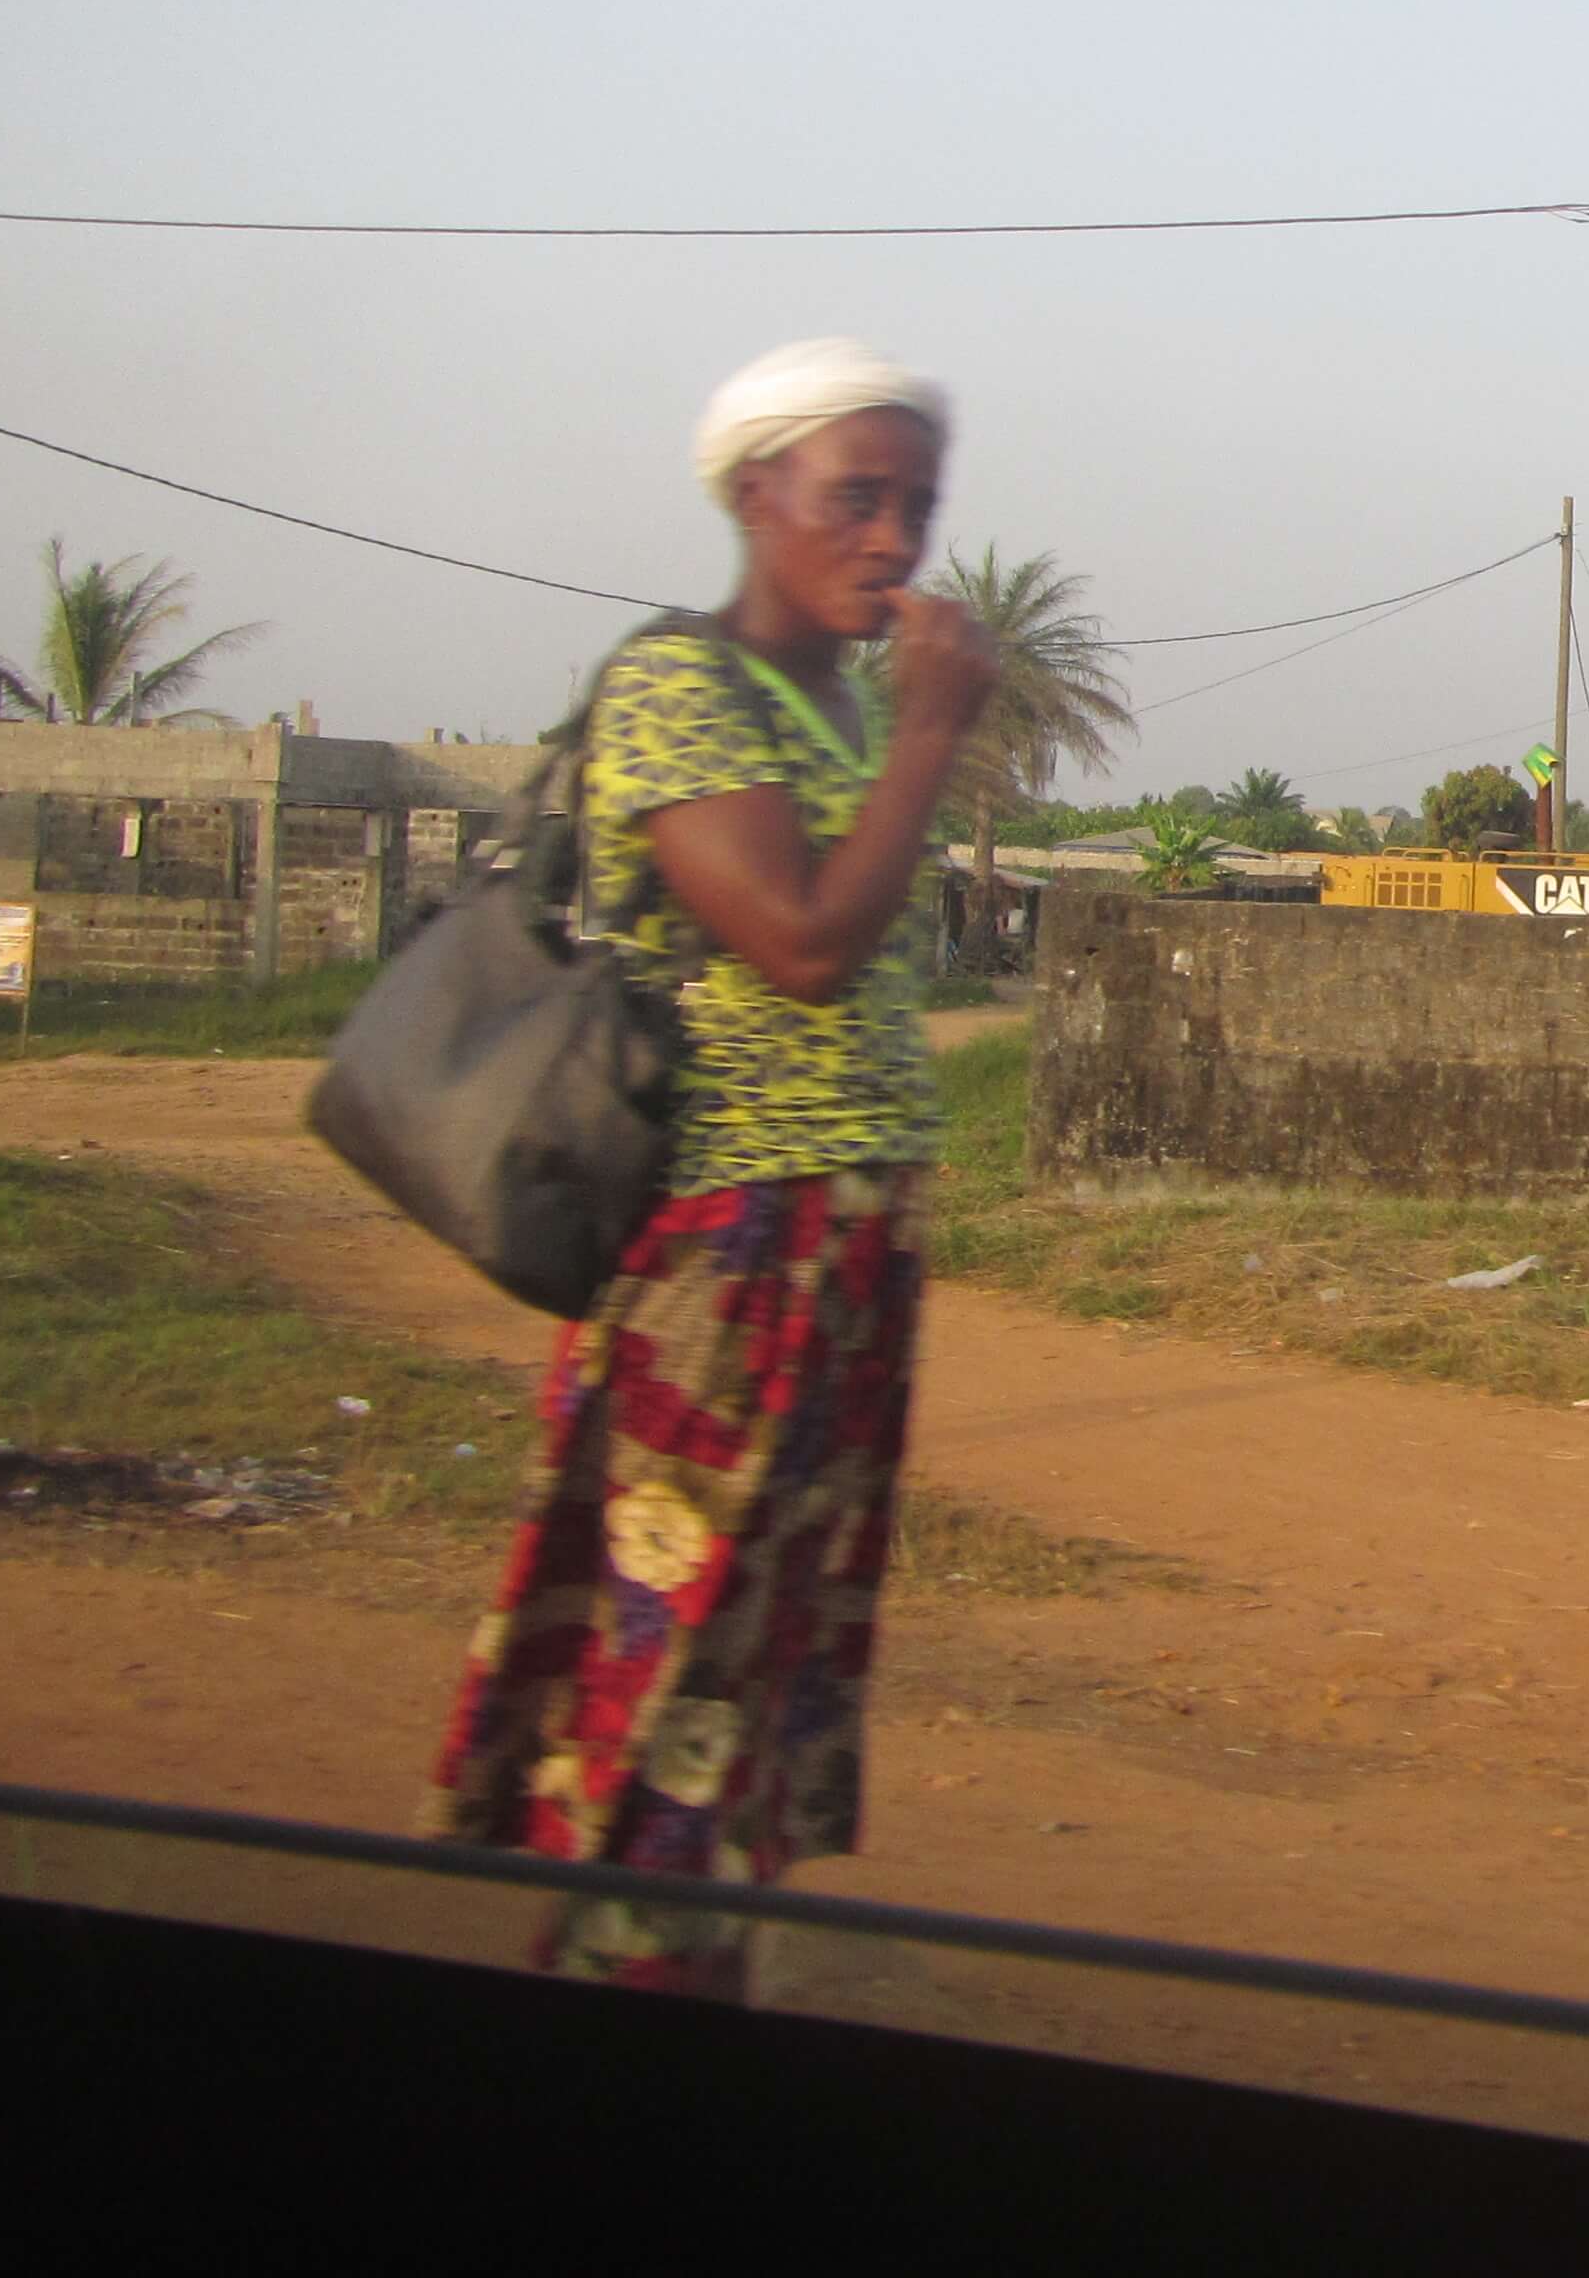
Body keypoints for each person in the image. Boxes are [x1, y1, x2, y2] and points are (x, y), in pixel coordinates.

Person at [426, 338, 998, 1994]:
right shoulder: (682, 688)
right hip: (730, 1249)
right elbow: (802, 945)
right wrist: (933, 733)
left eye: (917, 508)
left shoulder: (832, 704)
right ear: (756, 495)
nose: (892, 541)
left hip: (848, 1245)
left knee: (765, 1648)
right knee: (677, 1641)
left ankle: (695, 1961)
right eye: (855, 499)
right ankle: (626, 1981)